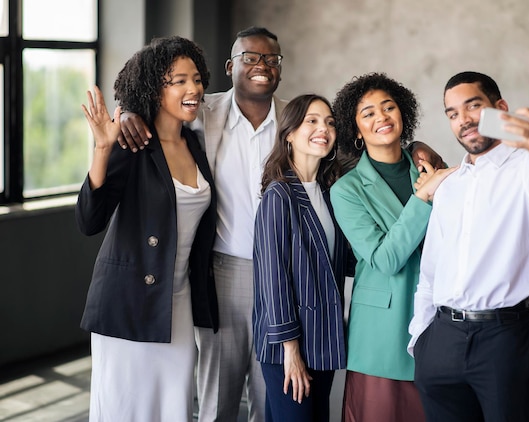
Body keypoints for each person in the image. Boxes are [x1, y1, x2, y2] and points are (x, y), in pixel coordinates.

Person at [118, 26, 287, 422]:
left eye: (271, 59)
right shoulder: (201, 112)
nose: (261, 65)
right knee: (216, 400)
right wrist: (125, 111)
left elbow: (343, 149)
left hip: (283, 274)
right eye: (251, 57)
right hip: (223, 271)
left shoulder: (296, 120)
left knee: (272, 398)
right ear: (231, 67)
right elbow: (153, 102)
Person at [408, 71, 529, 421]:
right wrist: (420, 342)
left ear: (500, 108)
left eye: (473, 106)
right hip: (441, 340)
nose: (463, 119)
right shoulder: (450, 185)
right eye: (452, 113)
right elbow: (431, 272)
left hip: (504, 340)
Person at [75, 36, 217, 421]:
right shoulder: (131, 143)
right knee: (126, 410)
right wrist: (102, 149)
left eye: (197, 79)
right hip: (128, 304)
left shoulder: (196, 143)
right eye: (180, 81)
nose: (194, 89)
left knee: (174, 408)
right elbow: (89, 220)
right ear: (155, 88)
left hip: (178, 304)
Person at [329, 72, 456, 422]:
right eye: (367, 113)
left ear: (404, 114)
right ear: (355, 129)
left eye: (389, 107)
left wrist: (430, 181)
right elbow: (385, 259)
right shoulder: (346, 190)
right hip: (382, 331)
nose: (381, 117)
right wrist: (423, 199)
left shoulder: (429, 168)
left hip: (438, 323)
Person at [252, 94, 348, 422]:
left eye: (330, 122)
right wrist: (290, 351)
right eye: (312, 120)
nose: (323, 128)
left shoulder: (329, 191)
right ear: (289, 133)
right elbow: (273, 279)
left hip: (322, 339)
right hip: (288, 347)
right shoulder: (279, 195)